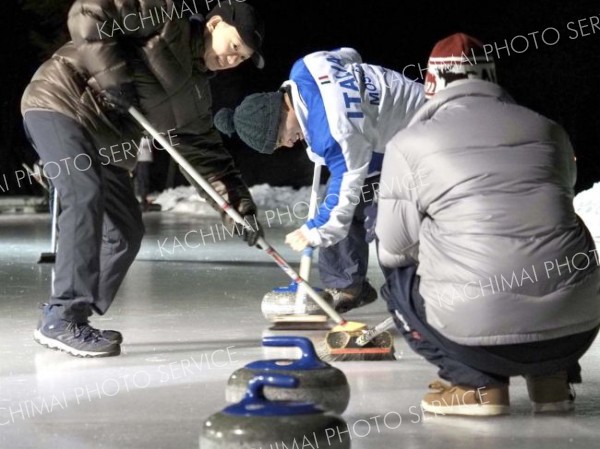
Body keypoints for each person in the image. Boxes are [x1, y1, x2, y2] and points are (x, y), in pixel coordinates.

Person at [21, 0, 266, 358]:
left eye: (241, 58)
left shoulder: (196, 94)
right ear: (214, 24)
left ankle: (71, 316)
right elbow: (89, 13)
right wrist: (112, 76)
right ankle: (62, 317)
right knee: (84, 193)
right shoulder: (167, 20)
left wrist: (236, 206)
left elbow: (205, 158)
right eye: (233, 48)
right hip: (61, 103)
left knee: (124, 233)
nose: (233, 60)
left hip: (107, 146)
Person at [375, 33, 600, 416]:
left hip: (476, 333)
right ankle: (552, 381)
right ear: (491, 77)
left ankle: (476, 385)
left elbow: (394, 249)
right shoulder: (549, 129)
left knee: (395, 276)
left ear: (432, 82)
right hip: (576, 329)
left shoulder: (408, 144)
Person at [214, 47, 425, 312]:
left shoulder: (334, 130)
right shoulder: (306, 66)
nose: (289, 144)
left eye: (280, 139)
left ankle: (414, 297)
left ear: (282, 115)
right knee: (338, 202)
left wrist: (314, 230)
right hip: (388, 135)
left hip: (423, 138)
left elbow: (346, 187)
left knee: (383, 214)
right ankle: (347, 287)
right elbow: (351, 55)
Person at [134, 136, 155, 211]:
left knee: (143, 180)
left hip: (143, 158)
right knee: (140, 180)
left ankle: (143, 200)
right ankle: (142, 199)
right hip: (139, 159)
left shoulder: (147, 136)